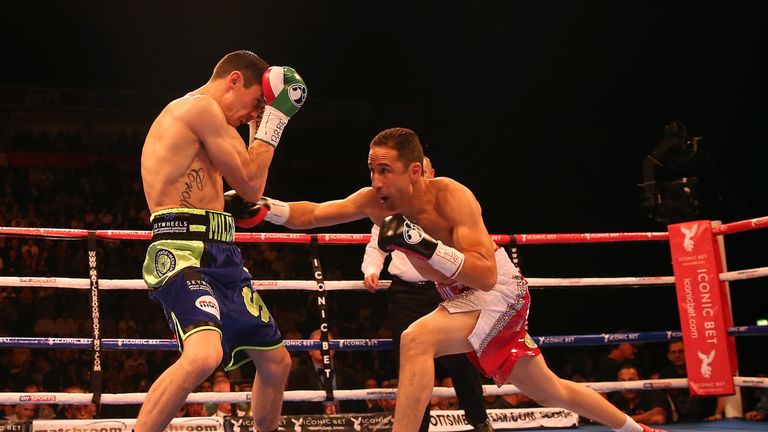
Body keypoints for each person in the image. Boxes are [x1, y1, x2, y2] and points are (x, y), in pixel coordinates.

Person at [241, 127, 666, 432]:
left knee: (416, 339)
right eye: (372, 170)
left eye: (385, 170)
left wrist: (422, 245)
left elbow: (483, 274)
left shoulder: (451, 197)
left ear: (415, 171)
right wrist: (265, 209)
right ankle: (635, 429)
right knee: (552, 390)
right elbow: (315, 213)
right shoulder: (375, 201)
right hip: (463, 297)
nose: (376, 181)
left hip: (497, 291)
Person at [138, 49, 306, 432]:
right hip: (183, 249)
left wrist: (258, 124)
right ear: (233, 80)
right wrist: (275, 120)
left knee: (277, 362)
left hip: (221, 252)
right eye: (254, 104)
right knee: (203, 356)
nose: (254, 113)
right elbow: (251, 184)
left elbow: (245, 183)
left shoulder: (214, 123)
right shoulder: (199, 109)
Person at [361, 156, 492, 432]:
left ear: (428, 173)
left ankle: (479, 420)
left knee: (461, 357)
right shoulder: (391, 210)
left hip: (447, 291)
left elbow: (475, 254)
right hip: (406, 296)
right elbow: (376, 243)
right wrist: (371, 270)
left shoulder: (445, 205)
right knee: (409, 362)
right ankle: (416, 427)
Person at [283, 329, 367, 415]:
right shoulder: (297, 377)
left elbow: (362, 410)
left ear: (334, 349)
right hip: (310, 426)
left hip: (347, 425)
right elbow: (290, 411)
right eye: (318, 344)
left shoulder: (351, 376)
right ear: (309, 350)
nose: (323, 348)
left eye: (326, 344)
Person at [658, 341, 721, 422]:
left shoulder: (702, 370)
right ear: (669, 356)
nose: (677, 355)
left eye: (681, 351)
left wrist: (717, 413)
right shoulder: (666, 374)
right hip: (682, 422)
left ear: (688, 352)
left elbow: (721, 391)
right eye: (673, 352)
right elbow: (658, 397)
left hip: (709, 419)